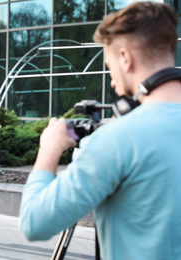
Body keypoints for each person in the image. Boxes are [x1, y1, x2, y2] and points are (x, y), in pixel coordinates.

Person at [19, 2, 181, 259]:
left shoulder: (118, 139)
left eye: (109, 66)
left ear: (125, 58)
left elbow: (34, 223)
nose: (112, 80)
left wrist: (49, 149)